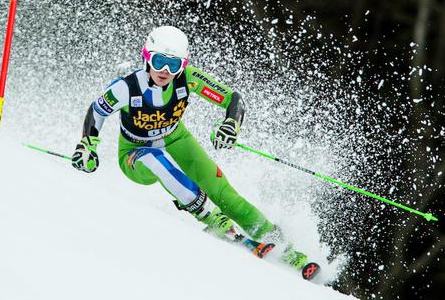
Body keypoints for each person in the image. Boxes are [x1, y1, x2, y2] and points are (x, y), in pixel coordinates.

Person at [71, 25, 310, 271]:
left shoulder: (189, 78)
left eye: (173, 65)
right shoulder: (127, 87)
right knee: (155, 158)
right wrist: (88, 145)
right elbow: (97, 111)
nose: (164, 71)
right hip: (135, 151)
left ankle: (284, 248)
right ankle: (208, 215)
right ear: (147, 57)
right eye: (159, 61)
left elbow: (234, 99)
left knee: (226, 195)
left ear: (182, 65)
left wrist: (231, 124)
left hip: (176, 138)